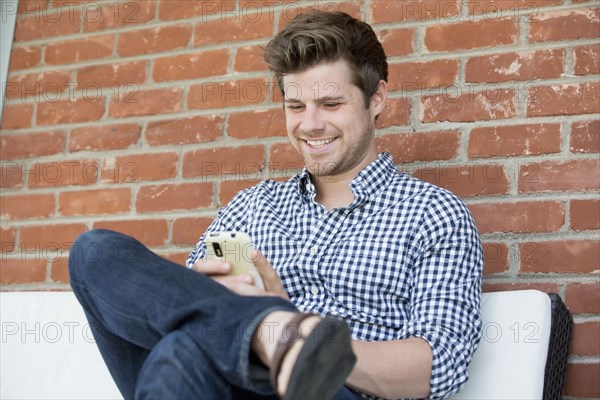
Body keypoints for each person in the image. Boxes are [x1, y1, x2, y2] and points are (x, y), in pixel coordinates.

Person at [69, 10, 483, 400]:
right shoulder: (253, 207)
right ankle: (269, 331)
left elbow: (438, 367)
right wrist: (246, 311)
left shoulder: (432, 213)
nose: (310, 124)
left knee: (186, 349)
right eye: (295, 106)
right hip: (214, 377)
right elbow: (192, 300)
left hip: (333, 391)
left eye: (331, 104)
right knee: (94, 252)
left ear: (376, 99)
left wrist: (306, 341)